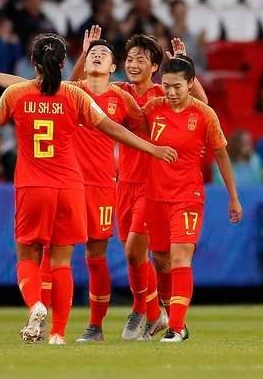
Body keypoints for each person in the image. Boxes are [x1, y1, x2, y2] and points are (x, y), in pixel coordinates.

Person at [0, 33, 177, 345]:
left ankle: (85, 318)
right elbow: (113, 127)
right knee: (59, 258)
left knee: (84, 256)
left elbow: (18, 93)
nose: (97, 56)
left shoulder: (119, 97)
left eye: (103, 54)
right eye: (91, 53)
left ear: (113, 67)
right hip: (71, 185)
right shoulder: (75, 93)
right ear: (75, 63)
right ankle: (57, 330)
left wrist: (154, 152)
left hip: (85, 184)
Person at [72, 30, 208, 341]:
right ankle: (158, 312)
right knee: (137, 257)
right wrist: (85, 55)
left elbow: (202, 104)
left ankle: (144, 309)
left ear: (155, 66)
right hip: (124, 183)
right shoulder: (119, 92)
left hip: (155, 185)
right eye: (130, 59)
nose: (133, 64)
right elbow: (76, 90)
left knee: (136, 249)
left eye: (141, 60)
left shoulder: (164, 94)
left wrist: (185, 65)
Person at [143, 55, 242, 342]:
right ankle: (172, 318)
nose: (171, 92)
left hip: (188, 196)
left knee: (180, 257)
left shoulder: (204, 114)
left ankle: (175, 327)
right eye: (166, 86)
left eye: (177, 86)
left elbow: (221, 156)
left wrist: (233, 197)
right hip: (155, 196)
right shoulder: (153, 108)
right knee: (161, 261)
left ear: (190, 84)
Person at [168, 0, 207, 74]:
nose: (181, 15)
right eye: (178, 12)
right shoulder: (167, 33)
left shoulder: (194, 36)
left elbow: (202, 63)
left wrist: (200, 46)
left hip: (194, 70)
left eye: (183, 12)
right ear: (172, 13)